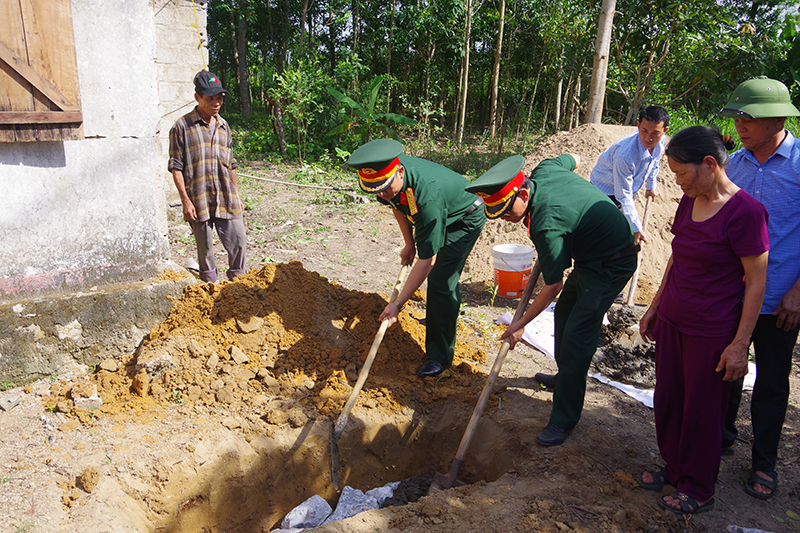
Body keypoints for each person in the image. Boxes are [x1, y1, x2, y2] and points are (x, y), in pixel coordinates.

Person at [637, 126, 769, 515]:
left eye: (682, 173)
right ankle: (674, 468)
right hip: (675, 320)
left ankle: (698, 485)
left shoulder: (746, 213)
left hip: (712, 331)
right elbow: (676, 257)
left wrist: (739, 344)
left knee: (702, 410)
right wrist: (656, 306)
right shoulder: (687, 201)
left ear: (709, 164)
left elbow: (757, 282)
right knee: (669, 401)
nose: (677, 182)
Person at [465, 154, 638, 446]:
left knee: (577, 336)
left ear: (523, 193)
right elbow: (574, 159)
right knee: (564, 315)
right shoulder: (543, 170)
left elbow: (552, 285)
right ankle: (565, 377)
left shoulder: (546, 222)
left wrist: (519, 324)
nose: (504, 219)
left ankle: (563, 420)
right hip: (590, 255)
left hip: (612, 262)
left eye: (506, 212)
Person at [719, 76, 800, 500]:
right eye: (737, 118)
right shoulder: (735, 165)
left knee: (771, 381)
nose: (740, 126)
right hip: (735, 294)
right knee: (727, 370)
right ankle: (723, 437)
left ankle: (764, 464)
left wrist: (798, 292)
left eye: (749, 118)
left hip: (782, 299)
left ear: (778, 119)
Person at [347, 139, 485, 377]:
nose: (380, 192)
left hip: (463, 218)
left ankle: (440, 357)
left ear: (400, 172)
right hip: (436, 212)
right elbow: (395, 204)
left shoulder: (426, 197)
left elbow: (427, 261)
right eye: (375, 189)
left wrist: (397, 305)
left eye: (384, 187)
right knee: (435, 277)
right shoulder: (385, 176)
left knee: (441, 281)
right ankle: (436, 318)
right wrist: (409, 243)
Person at [168, 70, 246, 283]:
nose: (216, 103)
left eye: (219, 98)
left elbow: (231, 163)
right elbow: (176, 167)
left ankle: (238, 286)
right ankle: (210, 288)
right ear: (197, 98)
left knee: (238, 241)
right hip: (199, 197)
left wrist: (236, 195)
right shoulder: (181, 127)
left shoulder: (223, 126)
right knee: (205, 249)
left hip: (225, 194)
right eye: (210, 99)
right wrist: (185, 200)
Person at [590, 106, 670, 244]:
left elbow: (654, 162)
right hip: (603, 192)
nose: (648, 138)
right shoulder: (625, 156)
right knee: (602, 235)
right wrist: (636, 228)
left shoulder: (659, 141)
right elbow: (623, 195)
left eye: (655, 133)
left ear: (664, 131)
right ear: (638, 126)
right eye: (644, 131)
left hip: (623, 190)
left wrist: (651, 186)